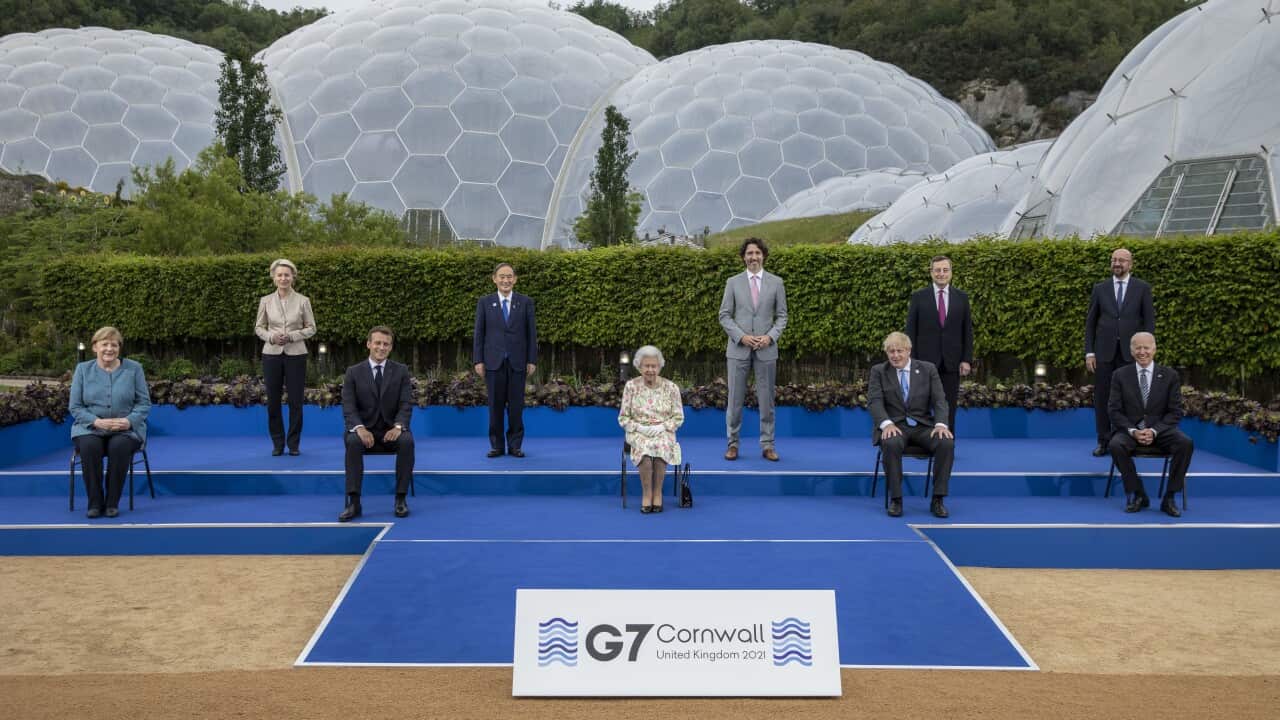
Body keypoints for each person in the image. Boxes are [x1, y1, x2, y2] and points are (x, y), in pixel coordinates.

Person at [867, 332, 954, 518]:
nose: (895, 355)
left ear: (908, 351)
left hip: (923, 426)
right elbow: (874, 401)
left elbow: (940, 400)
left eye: (899, 351)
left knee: (945, 443)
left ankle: (938, 499)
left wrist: (940, 425)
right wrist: (886, 424)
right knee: (890, 442)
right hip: (895, 426)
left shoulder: (928, 369)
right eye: (891, 351)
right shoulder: (878, 371)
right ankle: (896, 500)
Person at [68, 326, 151, 519]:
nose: (109, 349)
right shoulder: (82, 370)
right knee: (89, 446)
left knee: (119, 446)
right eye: (104, 344)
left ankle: (112, 502)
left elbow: (144, 403)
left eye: (114, 345)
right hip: (89, 428)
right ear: (95, 347)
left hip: (125, 430)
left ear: (119, 348)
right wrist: (96, 421)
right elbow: (75, 407)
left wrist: (128, 421)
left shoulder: (134, 369)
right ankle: (95, 503)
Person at [1107, 332, 1192, 518]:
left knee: (1185, 443)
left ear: (1154, 349)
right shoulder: (1119, 375)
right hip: (1130, 431)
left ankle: (1169, 498)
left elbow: (1175, 412)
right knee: (1115, 445)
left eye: (1146, 347)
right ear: (1131, 351)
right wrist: (1133, 431)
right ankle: (1138, 493)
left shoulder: (1170, 375)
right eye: (1138, 348)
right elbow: (1114, 411)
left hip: (1160, 430)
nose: (1142, 352)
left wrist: (1154, 431)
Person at [718, 237, 787, 461]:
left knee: (767, 400)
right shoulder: (733, 282)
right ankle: (733, 444)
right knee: (735, 400)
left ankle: (767, 445)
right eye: (749, 253)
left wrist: (770, 337)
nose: (753, 257)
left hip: (766, 350)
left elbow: (782, 316)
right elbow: (724, 315)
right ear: (743, 257)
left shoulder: (776, 283)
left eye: (757, 253)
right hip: (738, 350)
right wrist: (742, 337)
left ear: (763, 255)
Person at [339, 326, 415, 522]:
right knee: (354, 442)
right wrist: (360, 428)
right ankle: (354, 502)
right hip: (363, 430)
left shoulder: (401, 371)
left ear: (391, 347)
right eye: (378, 343)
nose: (381, 347)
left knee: (407, 441)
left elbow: (406, 404)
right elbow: (348, 406)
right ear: (368, 344)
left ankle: (400, 499)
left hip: (391, 430)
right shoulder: (353, 372)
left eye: (386, 344)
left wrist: (398, 426)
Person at [1085, 248, 1154, 456]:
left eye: (1122, 260)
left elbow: (1149, 322)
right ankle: (1104, 441)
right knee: (1103, 398)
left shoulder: (1142, 288)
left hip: (1131, 354)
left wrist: (1147, 352)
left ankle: (1125, 441)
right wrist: (1089, 352)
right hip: (1103, 354)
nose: (1117, 263)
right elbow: (1090, 323)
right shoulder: (1100, 288)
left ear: (1130, 264)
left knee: (1130, 399)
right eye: (1114, 260)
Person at [472, 262, 537, 458]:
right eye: (502, 276)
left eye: (509, 276)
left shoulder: (525, 302)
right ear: (494, 279)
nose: (506, 280)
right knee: (495, 406)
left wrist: (531, 360)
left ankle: (515, 445)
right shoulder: (484, 302)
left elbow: (531, 334)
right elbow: (479, 334)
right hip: (493, 363)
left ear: (515, 279)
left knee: (516, 407)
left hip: (518, 363)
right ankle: (497, 446)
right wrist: (478, 361)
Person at [255, 258, 316, 456]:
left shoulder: (303, 300)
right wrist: (271, 337)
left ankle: (294, 444)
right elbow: (258, 327)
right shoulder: (265, 300)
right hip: (271, 354)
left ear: (293, 277)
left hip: (296, 354)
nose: (283, 278)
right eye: (279, 275)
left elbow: (311, 328)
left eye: (287, 275)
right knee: (273, 401)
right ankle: (278, 443)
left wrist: (292, 336)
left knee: (296, 401)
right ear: (274, 278)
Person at [905, 255, 973, 431]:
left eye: (945, 270)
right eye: (937, 270)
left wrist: (966, 359)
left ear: (951, 272)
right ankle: (925, 444)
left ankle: (947, 446)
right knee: (923, 406)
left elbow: (967, 331)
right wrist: (911, 360)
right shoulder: (918, 297)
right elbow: (911, 330)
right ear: (931, 272)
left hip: (952, 362)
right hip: (924, 363)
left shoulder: (962, 297)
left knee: (949, 405)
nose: (941, 274)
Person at [618, 345, 685, 513]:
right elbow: (623, 417)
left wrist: (663, 426)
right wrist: (638, 427)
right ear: (639, 367)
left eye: (653, 366)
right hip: (638, 431)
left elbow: (678, 417)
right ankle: (647, 493)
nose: (650, 370)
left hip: (663, 430)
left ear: (660, 366)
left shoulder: (671, 388)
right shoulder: (631, 387)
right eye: (646, 366)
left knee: (661, 447)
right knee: (646, 452)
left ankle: (657, 493)